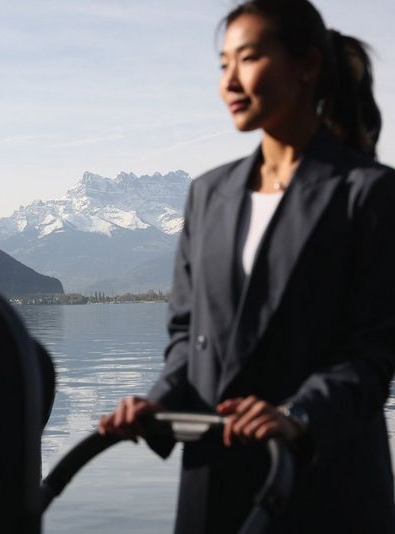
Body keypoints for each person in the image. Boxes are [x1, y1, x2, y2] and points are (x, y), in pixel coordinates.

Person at [98, 0, 395, 532]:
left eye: (249, 58)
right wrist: (158, 404)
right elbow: (188, 338)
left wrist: (298, 416)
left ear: (307, 65)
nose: (229, 81)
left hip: (323, 487)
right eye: (223, 64)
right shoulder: (207, 194)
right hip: (213, 483)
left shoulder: (367, 193)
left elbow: (373, 353)